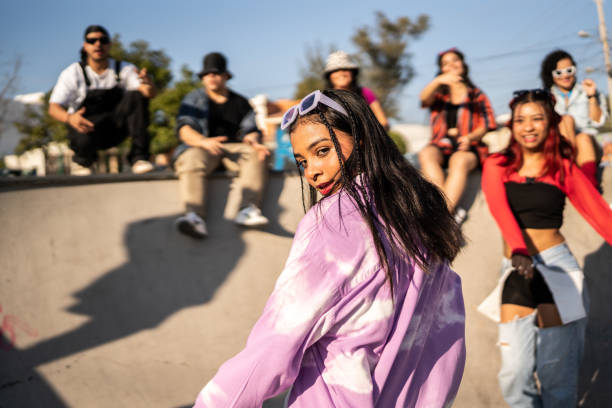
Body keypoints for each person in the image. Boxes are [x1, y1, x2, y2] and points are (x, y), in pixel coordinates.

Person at [191, 90, 466, 407]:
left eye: (322, 151)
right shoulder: (421, 223)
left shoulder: (335, 221)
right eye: (302, 161)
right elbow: (445, 355)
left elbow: (277, 341)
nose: (311, 171)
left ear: (361, 141)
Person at [478, 89, 612, 407]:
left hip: (558, 268)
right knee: (514, 374)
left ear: (549, 123)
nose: (528, 127)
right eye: (520, 120)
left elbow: (601, 216)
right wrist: (518, 250)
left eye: (537, 119)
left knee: (557, 377)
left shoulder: (562, 168)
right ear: (512, 125)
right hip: (516, 267)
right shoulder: (497, 165)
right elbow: (501, 211)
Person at [173, 52, 270, 238]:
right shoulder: (193, 100)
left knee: (257, 153)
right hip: (203, 147)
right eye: (207, 74)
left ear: (225, 76)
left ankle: (248, 210)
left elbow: (250, 129)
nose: (211, 77)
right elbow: (184, 129)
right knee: (191, 158)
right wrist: (203, 141)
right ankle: (194, 217)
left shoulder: (241, 102)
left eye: (216, 73)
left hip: (235, 148)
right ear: (202, 78)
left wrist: (254, 142)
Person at [49, 25, 155, 175]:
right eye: (92, 41)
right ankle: (83, 161)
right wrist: (69, 118)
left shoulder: (124, 69)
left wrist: (148, 85)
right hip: (87, 129)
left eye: (103, 40)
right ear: (85, 46)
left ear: (109, 44)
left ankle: (139, 157)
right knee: (79, 128)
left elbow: (147, 93)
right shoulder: (73, 72)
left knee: (136, 95)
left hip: (116, 127)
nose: (98, 44)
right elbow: (53, 107)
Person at [419, 48, 497, 224]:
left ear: (463, 64)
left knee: (459, 160)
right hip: (441, 146)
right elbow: (423, 98)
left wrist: (470, 137)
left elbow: (487, 124)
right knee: (426, 153)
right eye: (445, 64)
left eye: (455, 60)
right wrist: (438, 80)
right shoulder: (439, 95)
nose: (451, 65)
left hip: (469, 147)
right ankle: (442, 210)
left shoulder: (477, 94)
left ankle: (441, 217)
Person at [540, 49, 608, 189]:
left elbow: (598, 121)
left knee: (582, 137)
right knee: (565, 120)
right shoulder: (545, 98)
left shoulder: (587, 91)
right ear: (551, 75)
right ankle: (568, 169)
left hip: (589, 147)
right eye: (559, 72)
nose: (565, 75)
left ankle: (590, 186)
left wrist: (591, 96)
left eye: (569, 70)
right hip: (560, 148)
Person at [324, 51, 389, 130]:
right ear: (329, 76)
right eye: (335, 70)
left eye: (345, 69)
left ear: (352, 73)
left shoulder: (365, 93)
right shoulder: (324, 99)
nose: (341, 73)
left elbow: (383, 122)